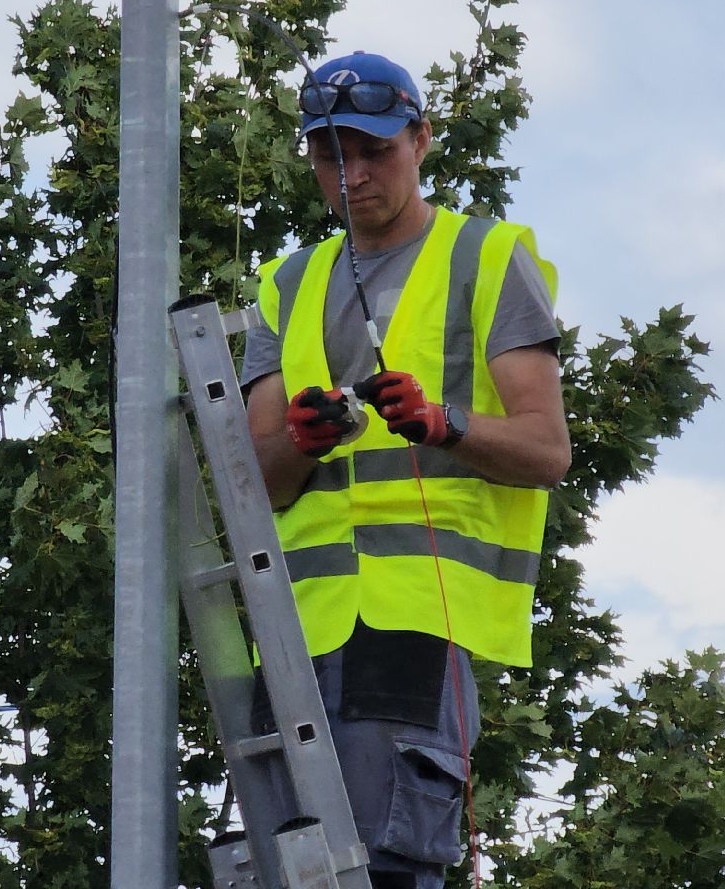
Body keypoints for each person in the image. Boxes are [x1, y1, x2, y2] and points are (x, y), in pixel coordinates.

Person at [241, 50, 570, 889]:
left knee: (382, 870)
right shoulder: (286, 283)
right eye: (328, 156)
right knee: (281, 873)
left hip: (417, 620)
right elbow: (257, 481)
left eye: (372, 151)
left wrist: (443, 424)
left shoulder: (487, 256)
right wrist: (304, 439)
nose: (350, 175)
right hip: (297, 628)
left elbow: (546, 451)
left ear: (420, 140)